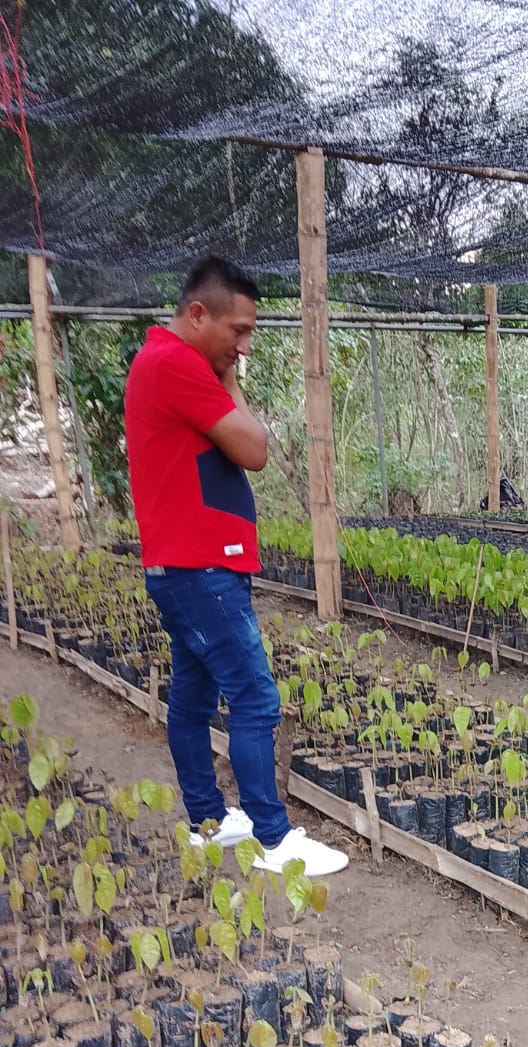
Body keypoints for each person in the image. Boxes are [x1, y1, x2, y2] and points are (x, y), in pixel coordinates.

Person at [124, 255, 348, 875]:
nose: (244, 347)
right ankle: (273, 841)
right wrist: (225, 375)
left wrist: (223, 366)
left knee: (194, 697)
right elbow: (254, 447)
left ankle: (209, 821)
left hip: (184, 568)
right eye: (239, 331)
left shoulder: (164, 361)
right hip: (200, 570)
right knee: (255, 697)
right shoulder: (176, 364)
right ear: (198, 314)